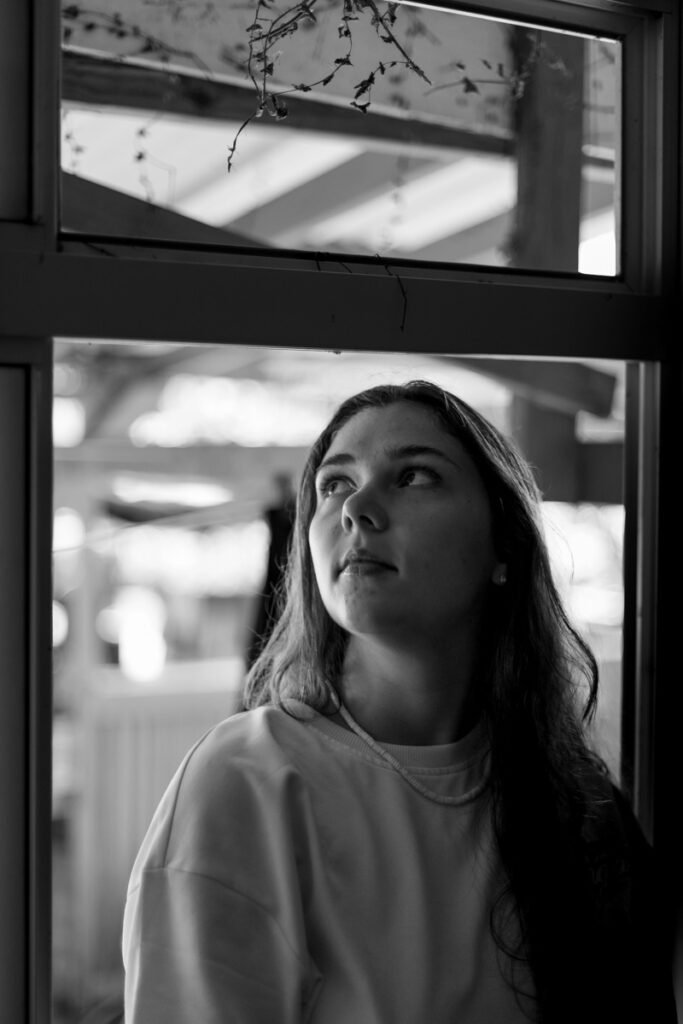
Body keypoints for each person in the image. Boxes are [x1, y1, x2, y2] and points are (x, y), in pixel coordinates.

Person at [122, 379, 676, 1024]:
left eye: (413, 476)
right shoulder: (248, 781)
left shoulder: (578, 806)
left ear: (505, 544)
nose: (357, 508)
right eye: (334, 484)